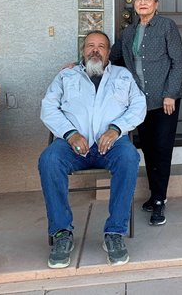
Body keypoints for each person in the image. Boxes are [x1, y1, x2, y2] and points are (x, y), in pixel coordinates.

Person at [38, 31, 146, 269]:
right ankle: (61, 233)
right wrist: (70, 133)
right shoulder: (66, 75)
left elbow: (139, 106)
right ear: (82, 50)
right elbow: (48, 108)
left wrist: (116, 129)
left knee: (129, 157)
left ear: (108, 52)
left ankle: (114, 233)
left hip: (112, 145)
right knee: (49, 160)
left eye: (101, 46)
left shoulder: (123, 75)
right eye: (90, 46)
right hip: (71, 146)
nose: (95, 50)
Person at [110, 0, 182, 227]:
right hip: (140, 103)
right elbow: (111, 57)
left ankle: (160, 201)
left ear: (156, 3)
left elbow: (178, 61)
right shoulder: (129, 32)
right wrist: (78, 65)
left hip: (165, 101)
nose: (143, 2)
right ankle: (154, 196)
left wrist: (170, 94)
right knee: (150, 149)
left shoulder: (166, 27)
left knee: (162, 150)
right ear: (134, 5)